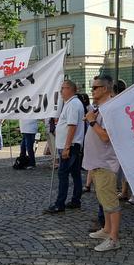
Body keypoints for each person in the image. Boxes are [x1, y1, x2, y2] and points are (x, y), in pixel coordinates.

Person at [84, 75, 122, 252]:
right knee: (103, 200)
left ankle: (114, 238)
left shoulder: (110, 109)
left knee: (110, 202)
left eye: (95, 88)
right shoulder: (101, 108)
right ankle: (107, 229)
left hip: (106, 162)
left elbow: (106, 136)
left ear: (105, 89)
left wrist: (92, 121)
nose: (92, 91)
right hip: (98, 162)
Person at [45, 80, 85, 214]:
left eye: (64, 88)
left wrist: (67, 147)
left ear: (71, 89)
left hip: (70, 146)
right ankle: (75, 200)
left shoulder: (73, 104)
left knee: (63, 174)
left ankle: (59, 204)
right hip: (72, 145)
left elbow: (72, 126)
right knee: (75, 174)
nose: (61, 91)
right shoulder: (71, 103)